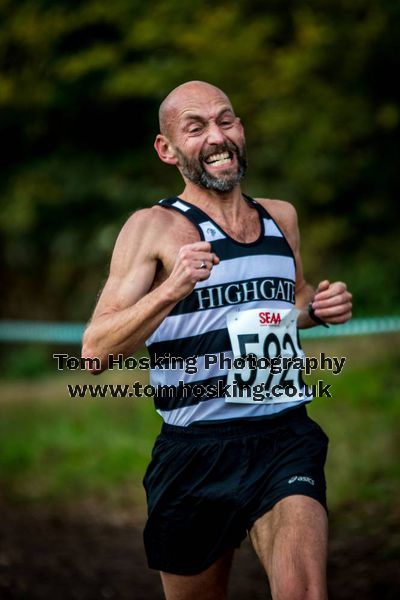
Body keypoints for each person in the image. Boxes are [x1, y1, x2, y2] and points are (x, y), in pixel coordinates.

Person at [82, 80, 352, 600]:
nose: (217, 136)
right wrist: (172, 290)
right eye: (196, 127)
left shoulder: (281, 217)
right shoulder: (152, 227)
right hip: (194, 455)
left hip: (283, 438)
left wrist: (316, 310)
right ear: (167, 149)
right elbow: (95, 351)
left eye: (226, 120)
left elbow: (285, 306)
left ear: (241, 129)